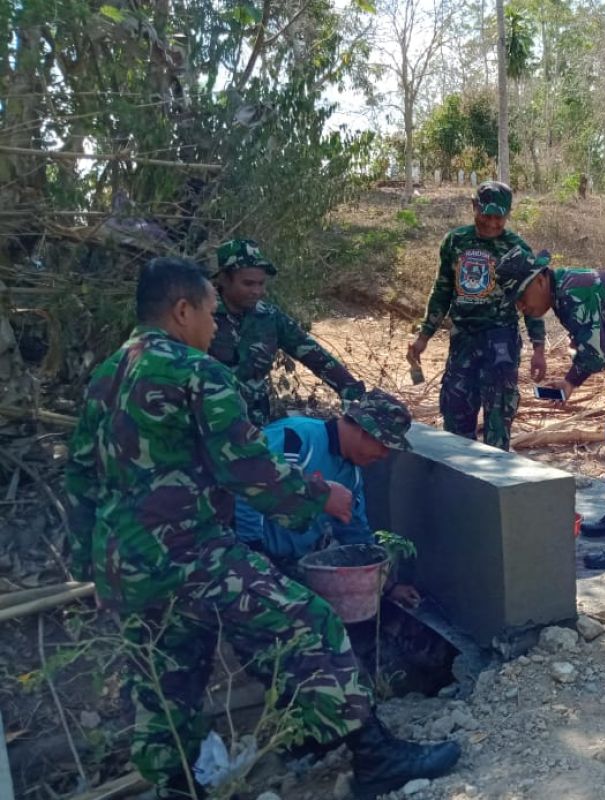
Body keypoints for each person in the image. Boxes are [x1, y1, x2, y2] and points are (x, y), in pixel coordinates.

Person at [64, 257, 459, 799]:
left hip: (125, 568)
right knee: (313, 623)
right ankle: (375, 756)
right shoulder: (196, 372)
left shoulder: (106, 376)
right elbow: (250, 471)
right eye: (208, 312)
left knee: (165, 685)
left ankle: (181, 787)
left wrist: (90, 561)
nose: (215, 326)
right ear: (182, 311)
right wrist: (324, 496)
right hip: (191, 555)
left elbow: (81, 476)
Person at [496, 249, 605, 569]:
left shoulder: (572, 292)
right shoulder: (565, 291)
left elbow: (595, 354)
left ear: (540, 280)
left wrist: (568, 383)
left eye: (522, 296)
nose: (522, 307)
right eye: (516, 303)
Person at [234, 389, 418, 605]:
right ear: (364, 430)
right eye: (383, 445)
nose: (384, 455)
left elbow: (354, 532)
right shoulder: (297, 439)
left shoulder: (352, 475)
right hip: (244, 556)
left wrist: (387, 586)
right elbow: (247, 487)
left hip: (293, 564)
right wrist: (252, 550)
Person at [406, 182, 545, 451]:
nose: (492, 223)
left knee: (498, 421)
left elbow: (533, 303)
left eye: (499, 217)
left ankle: (496, 486)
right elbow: (442, 292)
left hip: (500, 343)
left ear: (508, 214)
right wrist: (424, 336)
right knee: (455, 420)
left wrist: (539, 348)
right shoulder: (455, 242)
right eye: (486, 215)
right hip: (463, 342)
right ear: (473, 207)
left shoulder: (517, 249)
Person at [208, 239, 365, 427]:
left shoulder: (269, 317)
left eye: (261, 283)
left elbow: (314, 355)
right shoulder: (199, 315)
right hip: (210, 422)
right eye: (248, 284)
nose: (257, 291)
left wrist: (355, 393)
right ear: (224, 279)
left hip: (256, 425)